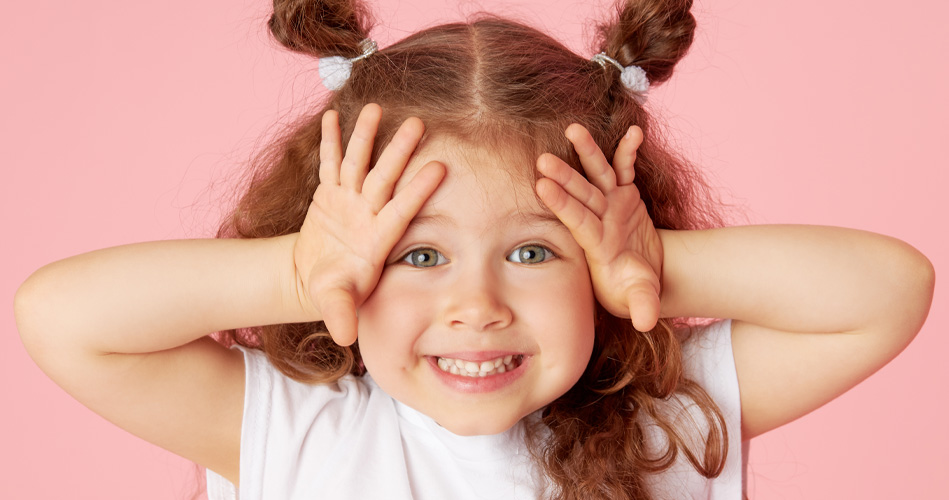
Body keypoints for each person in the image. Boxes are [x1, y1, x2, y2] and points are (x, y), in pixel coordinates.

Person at [13, 0, 934, 498]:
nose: (477, 305)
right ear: (349, 263)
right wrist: (294, 271)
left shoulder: (663, 430)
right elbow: (63, 320)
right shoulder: (296, 435)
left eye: (534, 253)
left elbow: (887, 290)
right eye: (418, 255)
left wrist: (652, 269)